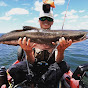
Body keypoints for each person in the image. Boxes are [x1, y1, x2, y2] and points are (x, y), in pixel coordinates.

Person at [1, 10, 72, 88]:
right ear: (39, 21)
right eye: (43, 19)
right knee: (14, 69)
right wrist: (28, 51)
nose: (46, 21)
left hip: (51, 67)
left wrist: (61, 50)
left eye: (49, 19)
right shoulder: (31, 34)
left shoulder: (59, 37)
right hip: (34, 66)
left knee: (64, 66)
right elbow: (31, 62)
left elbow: (58, 61)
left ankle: (40, 83)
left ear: (52, 22)